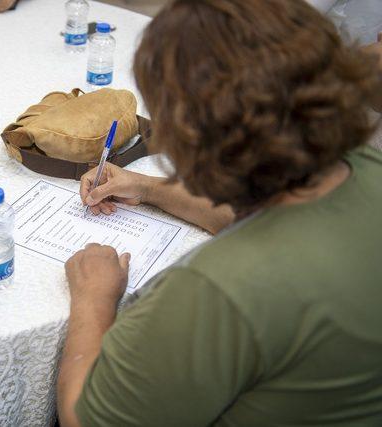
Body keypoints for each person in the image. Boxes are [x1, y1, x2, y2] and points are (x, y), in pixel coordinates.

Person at [56, 0, 382, 426]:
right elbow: (266, 215)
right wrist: (150, 188)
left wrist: (93, 301)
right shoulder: (362, 168)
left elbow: (85, 419)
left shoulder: (215, 291)